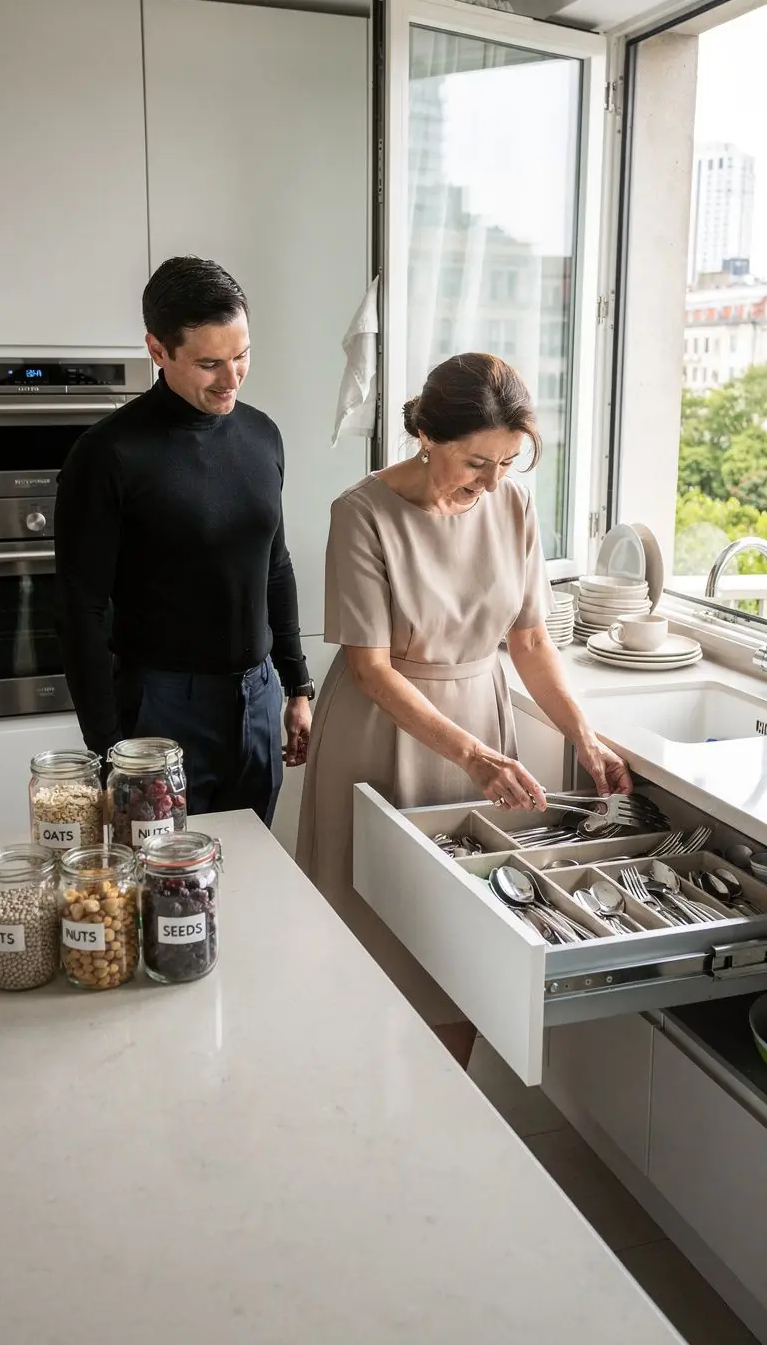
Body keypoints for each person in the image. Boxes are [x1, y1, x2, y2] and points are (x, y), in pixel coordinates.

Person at [296, 353, 633, 1064]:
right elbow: (371, 669)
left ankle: (445, 1110)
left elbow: (532, 640)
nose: (493, 482)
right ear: (427, 435)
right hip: (381, 734)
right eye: (477, 462)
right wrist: (475, 757)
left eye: (507, 462)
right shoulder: (362, 513)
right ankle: (351, 1101)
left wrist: (584, 736)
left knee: (471, 944)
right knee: (369, 936)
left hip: (482, 725)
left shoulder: (513, 506)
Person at [55, 256, 314, 824]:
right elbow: (81, 611)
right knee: (159, 871)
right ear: (158, 349)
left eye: (242, 355)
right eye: (209, 363)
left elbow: (274, 564)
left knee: (255, 859)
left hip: (258, 697)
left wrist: (297, 684)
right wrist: (107, 748)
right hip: (160, 708)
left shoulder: (262, 435)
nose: (231, 379)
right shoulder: (107, 455)